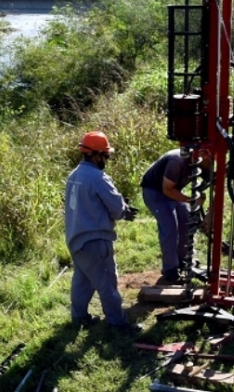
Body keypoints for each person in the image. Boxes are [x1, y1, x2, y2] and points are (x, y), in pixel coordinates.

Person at [64, 131, 142, 334]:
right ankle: (119, 324)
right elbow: (116, 209)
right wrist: (125, 211)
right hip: (94, 241)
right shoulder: (99, 178)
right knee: (107, 282)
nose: (107, 160)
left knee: (83, 281)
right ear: (96, 155)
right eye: (106, 156)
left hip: (75, 239)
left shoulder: (74, 176)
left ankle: (79, 318)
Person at [140, 148, 212, 284]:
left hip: (173, 190)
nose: (211, 163)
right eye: (211, 159)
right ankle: (170, 271)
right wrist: (191, 200)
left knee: (186, 222)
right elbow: (166, 189)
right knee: (170, 228)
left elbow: (213, 178)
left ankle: (183, 260)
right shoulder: (176, 161)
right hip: (155, 192)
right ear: (203, 154)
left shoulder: (201, 161)